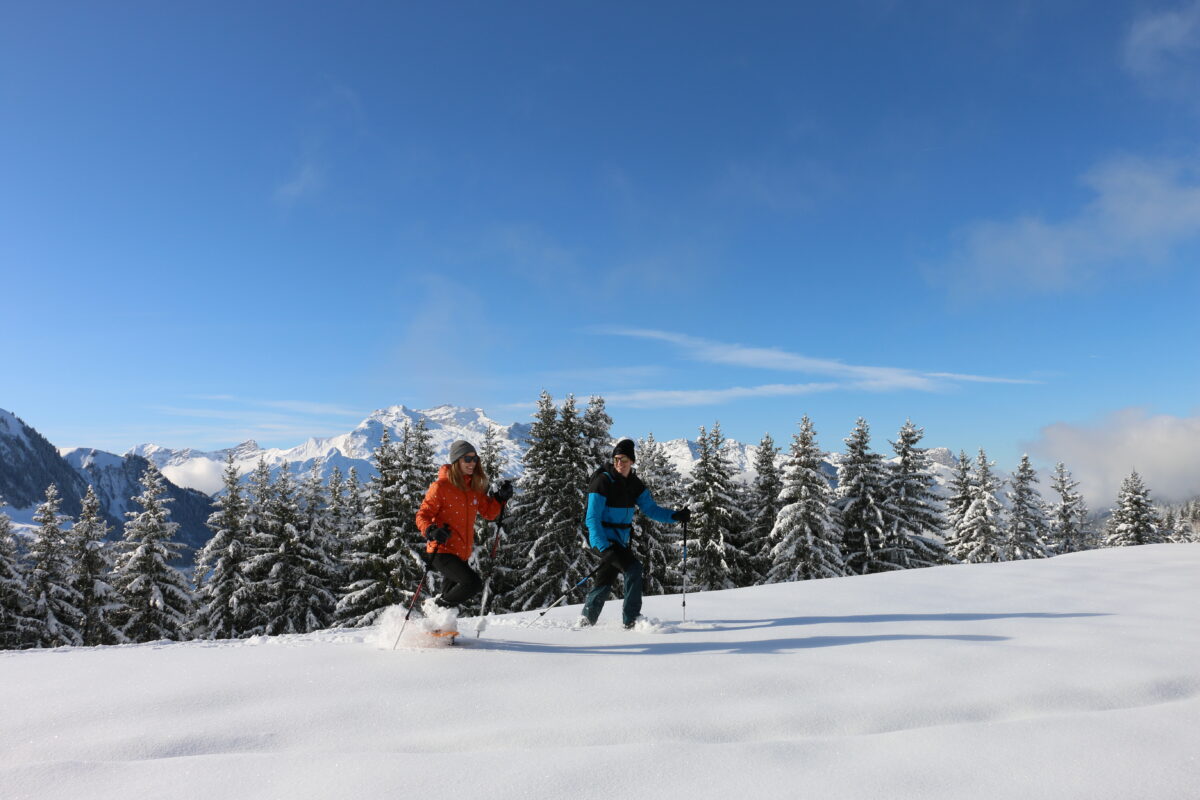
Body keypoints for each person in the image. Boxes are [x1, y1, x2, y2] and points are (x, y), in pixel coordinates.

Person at [580, 438, 690, 629]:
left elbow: (651, 509)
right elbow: (592, 518)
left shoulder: (634, 484)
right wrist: (603, 547)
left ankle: (586, 619)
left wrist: (676, 516)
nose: (619, 464)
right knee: (633, 568)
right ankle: (631, 619)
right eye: (615, 459)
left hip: (619, 540)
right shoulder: (603, 481)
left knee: (607, 574)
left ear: (632, 461)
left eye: (623, 459)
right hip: (602, 539)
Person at [416, 439, 513, 621]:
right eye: (467, 459)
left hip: (461, 552)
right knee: (472, 583)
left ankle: (438, 629)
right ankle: (434, 607)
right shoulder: (441, 487)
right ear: (456, 461)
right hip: (441, 551)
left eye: (475, 459)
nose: (472, 463)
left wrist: (500, 499)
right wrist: (430, 530)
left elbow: (489, 513)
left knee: (450, 596)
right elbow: (423, 514)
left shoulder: (473, 488)